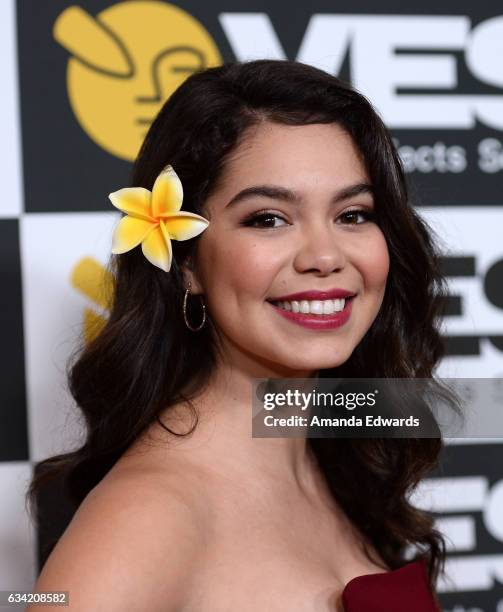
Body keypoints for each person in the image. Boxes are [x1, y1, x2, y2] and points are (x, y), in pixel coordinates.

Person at [26, 59, 459, 611]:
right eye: (268, 219)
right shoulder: (150, 514)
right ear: (187, 263)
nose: (326, 257)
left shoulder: (340, 461)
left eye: (353, 214)